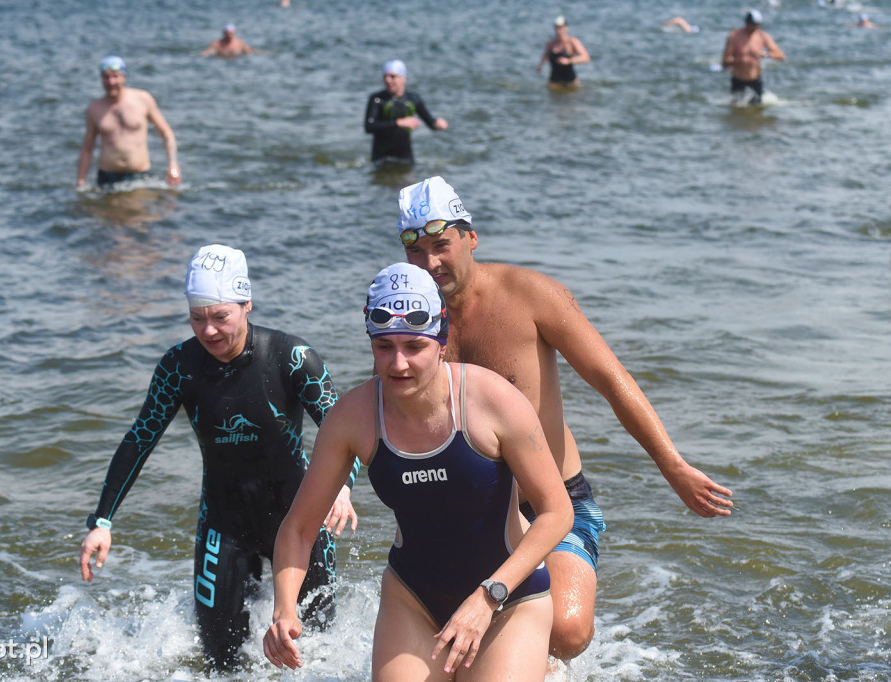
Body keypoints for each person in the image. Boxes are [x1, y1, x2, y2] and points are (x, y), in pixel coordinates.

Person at [393, 177, 734, 661]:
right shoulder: (406, 324)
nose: (430, 264)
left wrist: (672, 466)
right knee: (450, 645)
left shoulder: (532, 295)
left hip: (550, 505)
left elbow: (612, 380)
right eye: (418, 252)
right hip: (464, 512)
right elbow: (385, 418)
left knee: (569, 631)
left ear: (471, 238)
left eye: (442, 246)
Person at [264, 263, 573, 679]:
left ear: (442, 342)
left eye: (414, 345)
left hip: (508, 598)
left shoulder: (493, 401)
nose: (398, 363)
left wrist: (487, 597)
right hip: (414, 599)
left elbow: (557, 513)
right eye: (384, 346)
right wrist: (284, 607)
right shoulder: (353, 419)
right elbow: (299, 528)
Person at [78, 244, 360, 668]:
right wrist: (101, 522)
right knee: (221, 664)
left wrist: (341, 487)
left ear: (247, 305)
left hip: (299, 518)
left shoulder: (292, 358)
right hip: (224, 524)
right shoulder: (178, 366)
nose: (208, 331)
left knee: (319, 654)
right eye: (197, 318)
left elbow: (348, 432)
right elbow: (141, 438)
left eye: (220, 316)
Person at [76, 56, 181, 190]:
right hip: (107, 177)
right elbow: (87, 148)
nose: (111, 82)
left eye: (115, 76)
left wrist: (173, 164)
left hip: (139, 176)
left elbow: (166, 133)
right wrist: (80, 180)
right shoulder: (94, 109)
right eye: (106, 77)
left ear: (124, 78)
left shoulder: (143, 99)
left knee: (141, 210)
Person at [364, 59, 448, 165]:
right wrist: (399, 123)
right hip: (381, 159)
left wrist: (437, 124)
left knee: (408, 179)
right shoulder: (377, 99)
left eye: (392, 76)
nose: (388, 80)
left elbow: (430, 122)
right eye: (385, 76)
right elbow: (369, 126)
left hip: (406, 158)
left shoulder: (413, 99)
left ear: (403, 78)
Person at [721, 10, 785, 104]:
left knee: (757, 111)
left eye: (756, 25)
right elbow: (724, 61)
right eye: (752, 24)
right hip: (738, 79)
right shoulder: (734, 36)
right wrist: (738, 61)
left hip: (755, 80)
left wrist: (766, 54)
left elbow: (781, 56)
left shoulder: (762, 36)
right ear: (746, 23)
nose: (754, 27)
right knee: (735, 111)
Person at [536, 16, 590, 90]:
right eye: (557, 27)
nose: (559, 30)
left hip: (570, 81)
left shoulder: (572, 42)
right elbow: (545, 55)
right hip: (554, 81)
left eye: (561, 27)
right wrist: (540, 65)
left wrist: (569, 61)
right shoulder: (551, 43)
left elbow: (586, 57)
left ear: (566, 28)